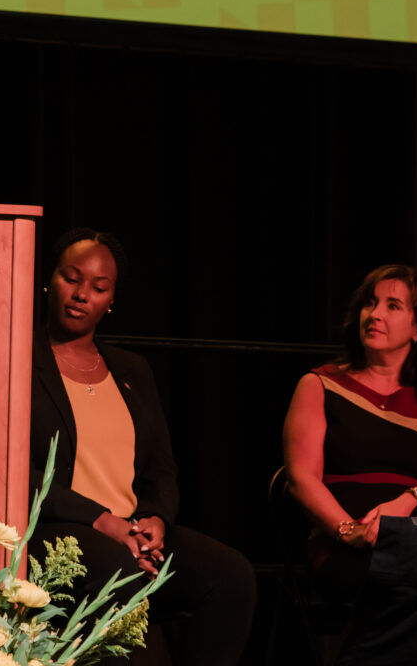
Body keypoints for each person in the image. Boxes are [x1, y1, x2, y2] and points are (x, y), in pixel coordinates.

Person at [29, 228, 256, 666]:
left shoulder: (133, 369)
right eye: (71, 278)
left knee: (232, 577)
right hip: (63, 531)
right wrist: (103, 522)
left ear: (111, 301)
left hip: (132, 532)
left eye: (98, 288)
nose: (81, 295)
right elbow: (17, 468)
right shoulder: (19, 359)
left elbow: (162, 469)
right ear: (49, 281)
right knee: (119, 573)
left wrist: (156, 522)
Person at [283, 264, 417, 584]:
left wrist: (403, 504)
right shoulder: (321, 384)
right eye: (369, 302)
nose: (375, 314)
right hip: (347, 538)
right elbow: (301, 478)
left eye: (392, 306)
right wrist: (347, 530)